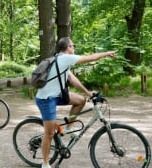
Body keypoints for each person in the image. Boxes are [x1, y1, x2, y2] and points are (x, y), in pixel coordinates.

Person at [35, 37, 115, 168]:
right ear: (68, 48)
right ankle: (45, 163)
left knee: (80, 100)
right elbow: (92, 57)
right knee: (49, 133)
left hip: (57, 95)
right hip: (46, 99)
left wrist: (88, 93)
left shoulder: (61, 60)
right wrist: (106, 53)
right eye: (73, 45)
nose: (74, 47)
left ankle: (68, 129)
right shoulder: (64, 58)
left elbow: (72, 79)